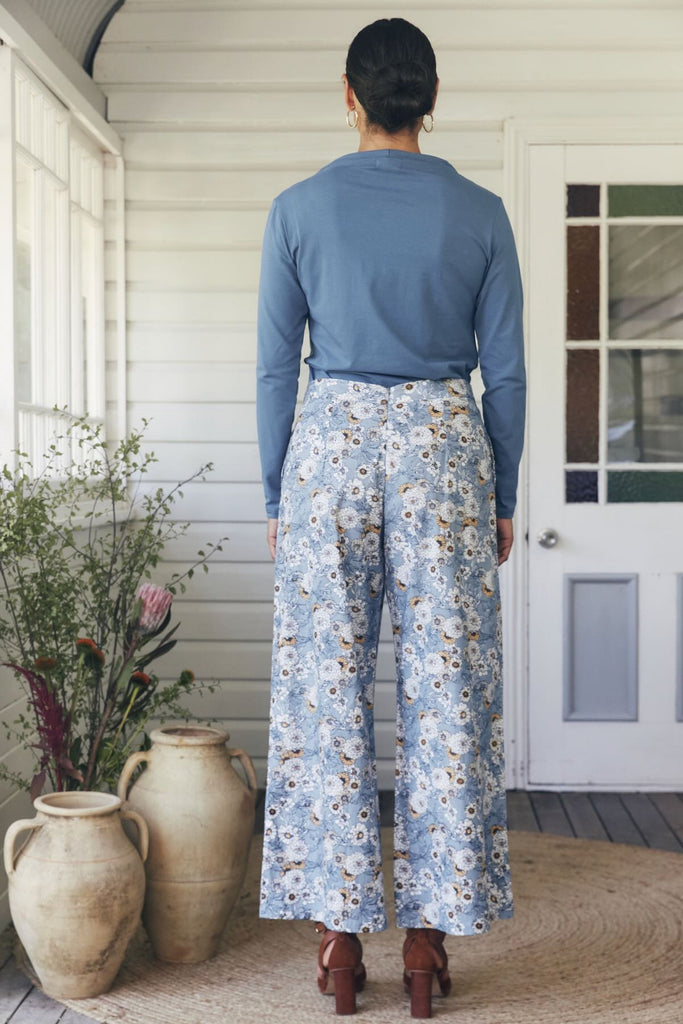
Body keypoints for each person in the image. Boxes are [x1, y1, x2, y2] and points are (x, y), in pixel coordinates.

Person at [255, 16, 526, 1018]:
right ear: (430, 98)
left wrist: (277, 494)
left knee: (323, 695)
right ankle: (424, 947)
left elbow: (275, 369)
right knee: (446, 695)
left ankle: (337, 945)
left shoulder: (296, 210)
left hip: (328, 449)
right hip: (440, 452)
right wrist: (499, 495)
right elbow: (504, 376)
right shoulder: (481, 213)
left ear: (349, 95)